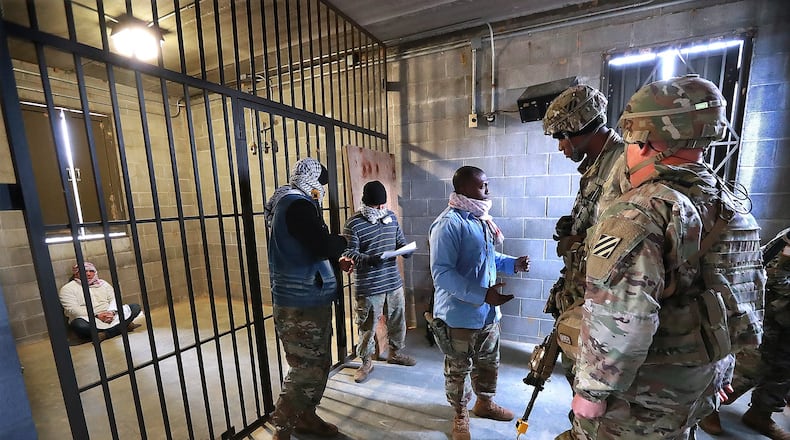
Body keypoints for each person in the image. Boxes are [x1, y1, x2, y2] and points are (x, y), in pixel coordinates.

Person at [568, 75, 765, 439]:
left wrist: (591, 391)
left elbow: (622, 317)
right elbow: (745, 300)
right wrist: (725, 368)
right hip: (702, 382)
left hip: (645, 393)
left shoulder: (639, 212)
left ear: (644, 142)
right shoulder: (735, 208)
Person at [428, 165, 530, 440]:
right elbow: (442, 273)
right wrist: (483, 294)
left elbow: (489, 259)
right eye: (482, 185)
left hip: (487, 313)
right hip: (459, 315)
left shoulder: (479, 219)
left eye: (487, 184)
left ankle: (484, 403)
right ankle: (460, 414)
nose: (488, 189)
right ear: (463, 189)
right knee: (459, 368)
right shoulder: (449, 224)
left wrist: (513, 264)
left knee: (488, 362)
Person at [542, 84, 629, 384]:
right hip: (581, 294)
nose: (560, 147)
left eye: (559, 137)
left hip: (602, 302)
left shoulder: (621, 166)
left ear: (575, 130)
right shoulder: (597, 165)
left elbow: (623, 238)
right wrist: (573, 226)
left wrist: (578, 242)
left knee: (590, 386)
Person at [264, 157, 351, 440]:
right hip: (301, 302)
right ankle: (283, 425)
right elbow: (322, 244)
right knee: (307, 368)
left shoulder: (286, 201)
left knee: (316, 363)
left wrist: (334, 258)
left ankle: (305, 418)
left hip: (304, 297)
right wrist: (343, 242)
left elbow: (310, 248)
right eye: (321, 185)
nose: (321, 191)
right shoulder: (298, 205)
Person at [698, 227, 790, 440]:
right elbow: (774, 277)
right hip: (771, 311)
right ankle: (708, 407)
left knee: (783, 371)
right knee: (749, 368)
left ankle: (760, 415)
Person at [342, 180, 416, 383]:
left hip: (392, 281)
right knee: (367, 325)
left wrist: (406, 250)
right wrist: (369, 259)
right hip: (369, 285)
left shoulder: (390, 217)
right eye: (377, 206)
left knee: (397, 319)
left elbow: (399, 241)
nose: (381, 209)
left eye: (383, 205)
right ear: (367, 203)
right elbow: (349, 253)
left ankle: (395, 353)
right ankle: (366, 362)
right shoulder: (353, 223)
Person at [58, 261, 142, 342]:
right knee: (78, 325)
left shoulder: (103, 284)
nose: (88, 274)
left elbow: (114, 299)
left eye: (91, 271)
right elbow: (72, 309)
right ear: (76, 274)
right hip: (90, 318)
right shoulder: (67, 289)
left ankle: (105, 334)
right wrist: (97, 315)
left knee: (135, 307)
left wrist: (111, 313)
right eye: (84, 271)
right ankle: (123, 327)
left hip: (111, 315)